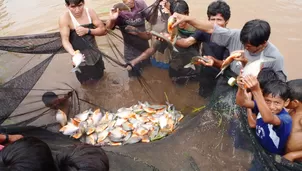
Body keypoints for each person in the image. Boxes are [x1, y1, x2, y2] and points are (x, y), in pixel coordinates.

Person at [171, 8, 287, 81]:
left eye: (249, 46)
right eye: (243, 43)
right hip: (229, 77)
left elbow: (279, 86)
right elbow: (212, 28)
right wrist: (187, 18)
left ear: (263, 43)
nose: (245, 48)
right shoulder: (235, 35)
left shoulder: (275, 58)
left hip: (252, 88)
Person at [175, 0, 230, 97]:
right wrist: (171, 38)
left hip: (221, 77)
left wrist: (213, 61)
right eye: (212, 20)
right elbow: (186, 43)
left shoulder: (230, 38)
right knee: (202, 97)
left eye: (219, 20)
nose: (215, 24)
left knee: (217, 100)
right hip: (205, 73)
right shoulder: (203, 31)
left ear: (227, 21)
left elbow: (225, 64)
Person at [236, 75, 291, 155]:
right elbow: (241, 102)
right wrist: (241, 88)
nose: (271, 107)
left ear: (286, 103)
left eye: (277, 103)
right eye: (268, 101)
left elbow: (268, 119)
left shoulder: (285, 119)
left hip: (272, 158)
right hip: (260, 150)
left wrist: (256, 91)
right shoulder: (262, 106)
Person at [59, 0, 107, 85]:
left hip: (95, 55)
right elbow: (65, 40)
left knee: (102, 78)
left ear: (84, 3)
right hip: (80, 60)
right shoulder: (65, 18)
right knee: (87, 85)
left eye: (80, 5)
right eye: (73, 7)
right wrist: (73, 53)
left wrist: (87, 31)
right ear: (67, 6)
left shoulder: (90, 12)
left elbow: (103, 30)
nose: (77, 10)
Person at [106, 0, 153, 77]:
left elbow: (152, 20)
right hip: (130, 49)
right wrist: (112, 19)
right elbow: (107, 28)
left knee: (149, 72)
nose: (129, 1)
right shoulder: (117, 8)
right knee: (133, 77)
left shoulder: (141, 4)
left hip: (144, 46)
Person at [283, 79, 302, 162]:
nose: (282, 101)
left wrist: (293, 155)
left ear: (295, 102)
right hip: (285, 156)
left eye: (285, 100)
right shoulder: (293, 110)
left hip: (297, 162)